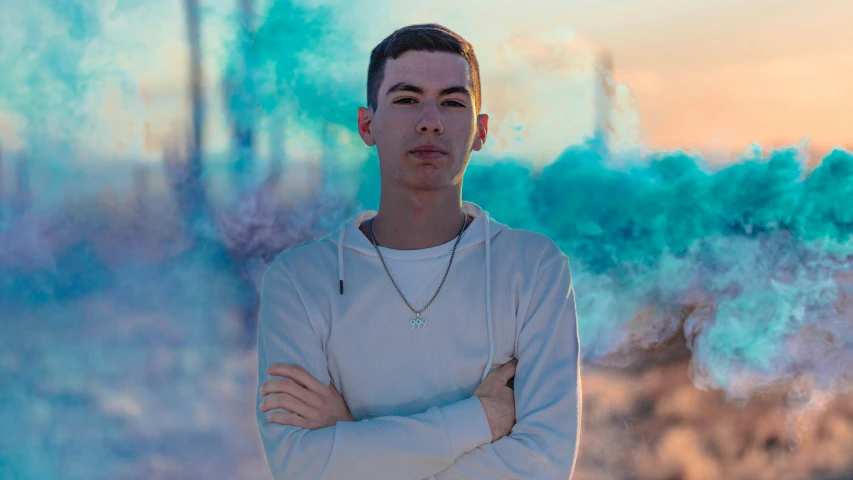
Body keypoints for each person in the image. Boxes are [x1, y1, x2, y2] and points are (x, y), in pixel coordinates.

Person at [256, 23, 581, 479]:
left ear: (480, 130)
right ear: (367, 125)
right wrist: (481, 420)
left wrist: (348, 437)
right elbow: (299, 468)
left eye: (452, 101)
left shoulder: (533, 269)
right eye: (407, 99)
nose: (430, 120)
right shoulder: (299, 281)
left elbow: (543, 465)